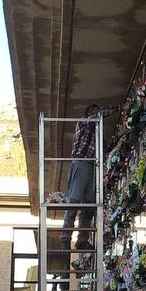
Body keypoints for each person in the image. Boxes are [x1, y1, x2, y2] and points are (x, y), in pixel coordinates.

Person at [60, 103, 118, 249]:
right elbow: (96, 117)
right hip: (80, 164)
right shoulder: (84, 124)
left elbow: (106, 147)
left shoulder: (96, 135)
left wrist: (119, 138)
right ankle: (65, 238)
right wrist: (117, 108)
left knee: (89, 205)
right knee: (74, 201)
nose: (99, 115)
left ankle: (82, 239)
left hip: (92, 167)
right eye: (96, 112)